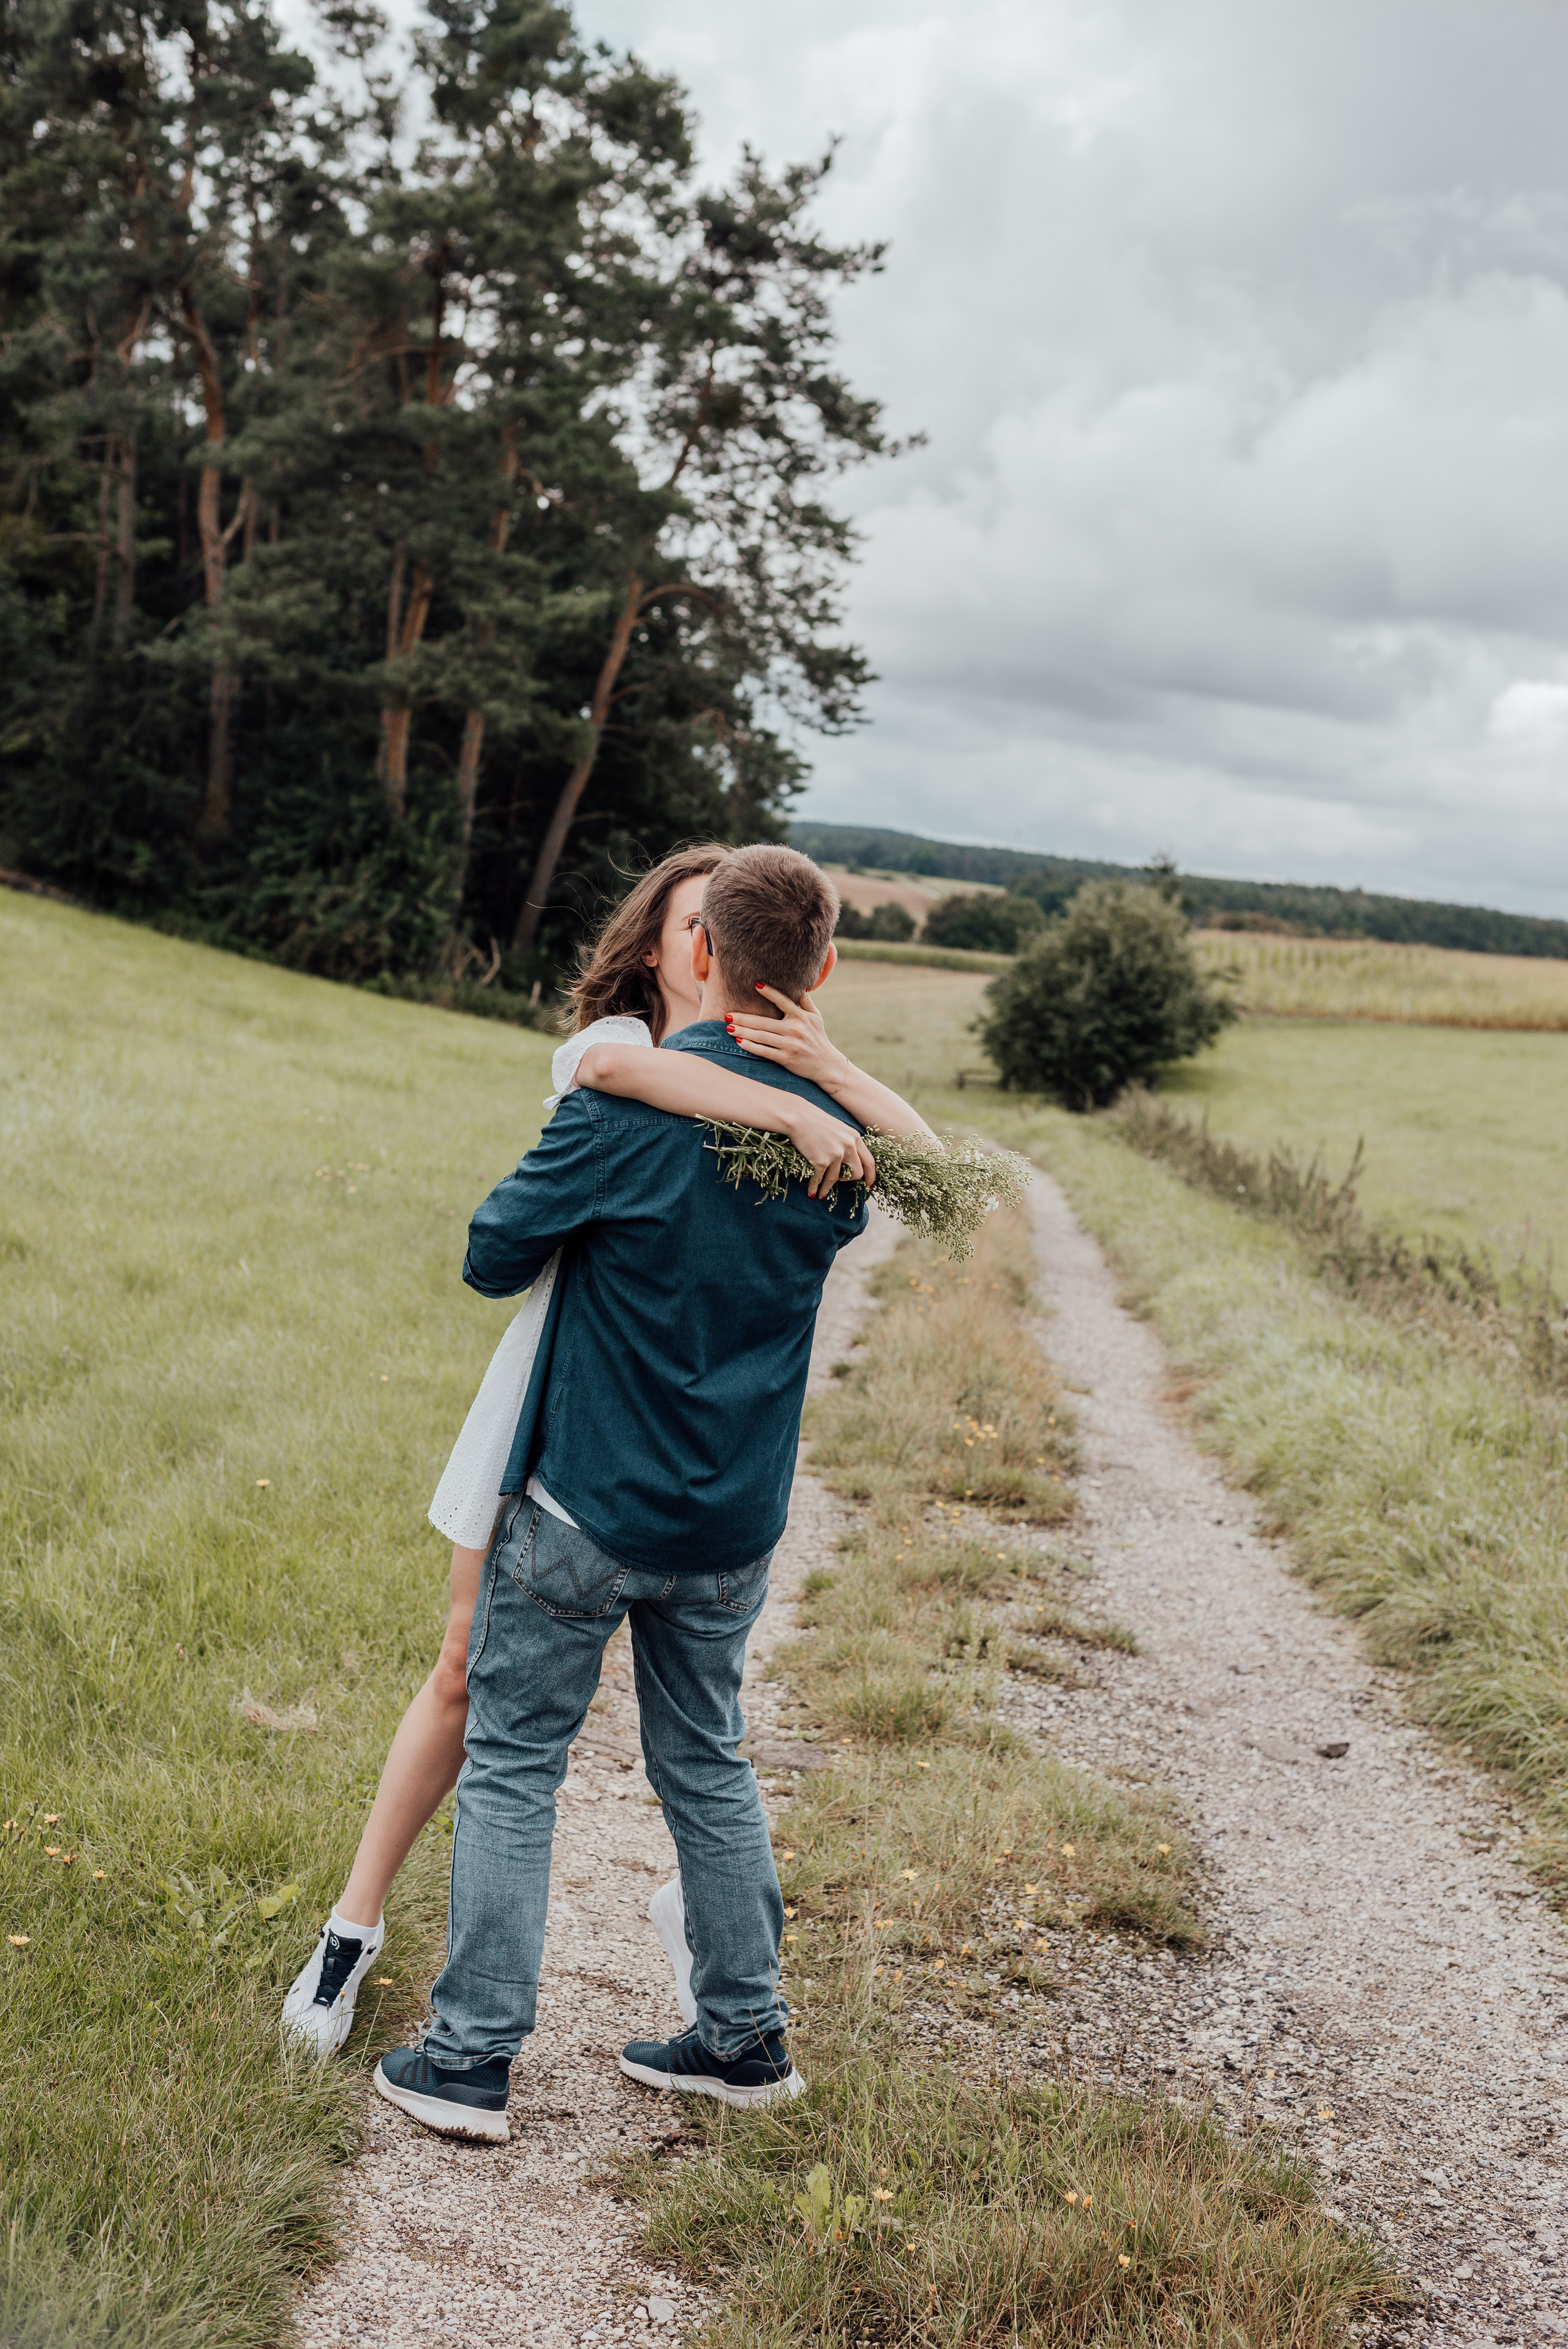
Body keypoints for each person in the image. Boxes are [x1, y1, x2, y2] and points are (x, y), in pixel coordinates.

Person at [282, 844, 932, 2059]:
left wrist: (797, 1090)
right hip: (719, 1506)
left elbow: (490, 1255)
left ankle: (470, 2055)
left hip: (588, 1485)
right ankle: (742, 2037)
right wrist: (812, 1092)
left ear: (698, 954)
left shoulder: (629, 1113)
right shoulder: (823, 1135)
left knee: (518, 1760)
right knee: (698, 1761)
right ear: (822, 965)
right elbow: (937, 1175)